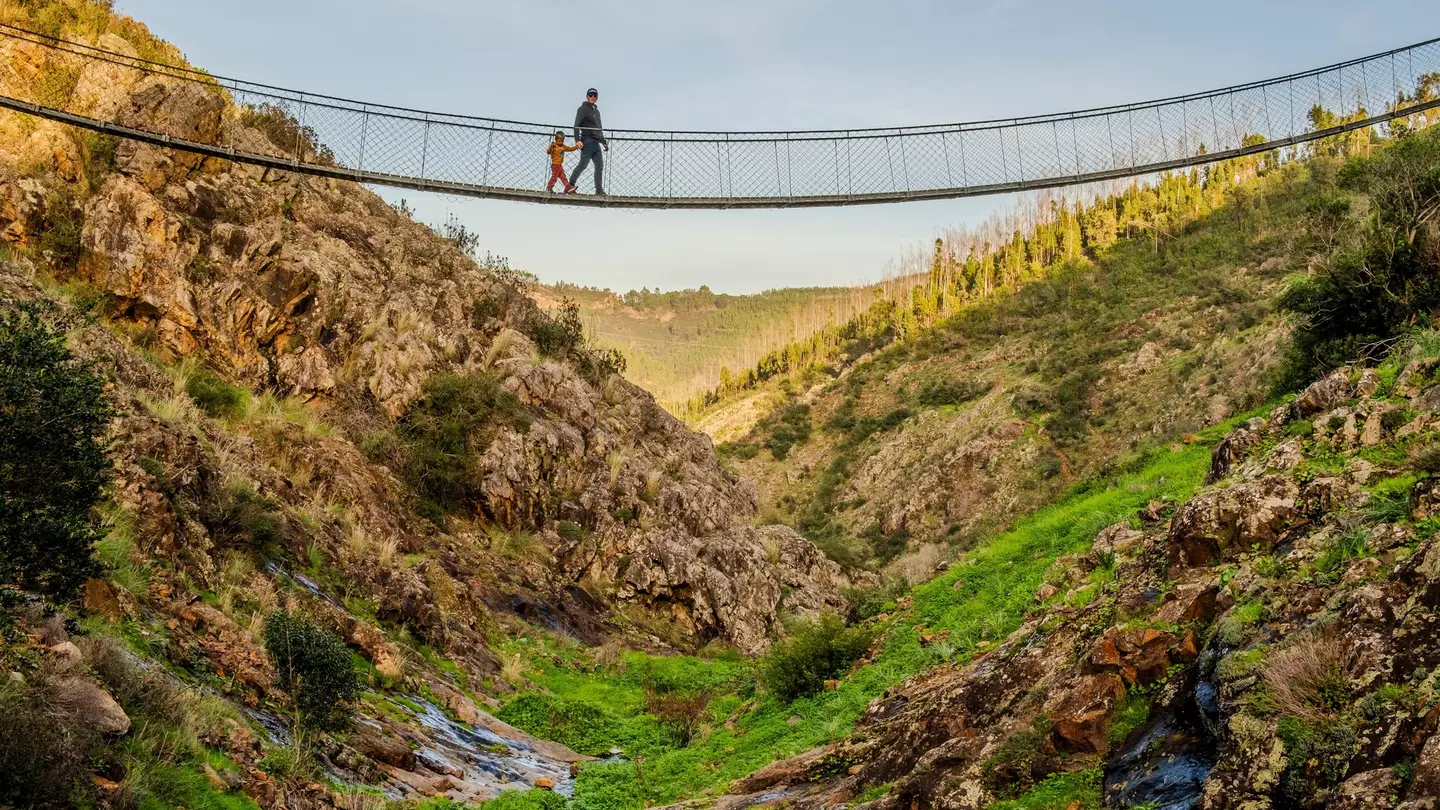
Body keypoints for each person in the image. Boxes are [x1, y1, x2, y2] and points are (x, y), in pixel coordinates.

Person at [567, 88, 608, 194]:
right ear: (587, 96)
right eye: (591, 95)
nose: (593, 97)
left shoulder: (597, 111)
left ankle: (599, 190)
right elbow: (576, 125)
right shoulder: (583, 109)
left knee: (599, 166)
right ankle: (570, 185)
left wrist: (603, 141)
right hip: (587, 140)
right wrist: (577, 140)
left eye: (595, 95)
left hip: (596, 142)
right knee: (583, 164)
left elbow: (599, 128)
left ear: (597, 97)